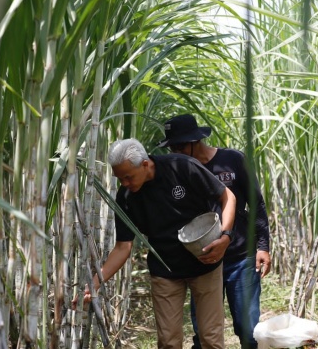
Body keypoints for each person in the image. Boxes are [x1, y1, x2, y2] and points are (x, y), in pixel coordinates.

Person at [78, 138, 236, 349]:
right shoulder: (126, 197)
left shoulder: (181, 167)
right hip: (165, 271)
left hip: (205, 262)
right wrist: (95, 283)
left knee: (211, 338)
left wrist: (225, 237)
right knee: (168, 342)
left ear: (145, 164)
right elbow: (123, 247)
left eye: (128, 177)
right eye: (120, 179)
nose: (125, 184)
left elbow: (228, 197)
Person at [159, 114, 271, 349]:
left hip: (241, 258)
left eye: (180, 145)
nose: (176, 151)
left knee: (248, 329)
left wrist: (263, 246)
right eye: (172, 147)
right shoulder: (177, 171)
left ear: (194, 140)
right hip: (203, 262)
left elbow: (256, 203)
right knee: (203, 333)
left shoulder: (232, 160)